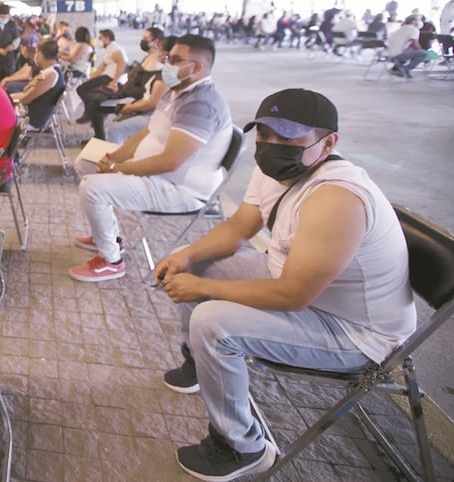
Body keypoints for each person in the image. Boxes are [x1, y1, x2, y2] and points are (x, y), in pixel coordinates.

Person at [155, 89, 415, 481]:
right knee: (195, 264)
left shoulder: (337, 197)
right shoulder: (276, 170)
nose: (271, 145)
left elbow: (293, 295)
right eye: (264, 134)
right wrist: (187, 256)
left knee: (212, 321)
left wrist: (201, 289)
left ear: (328, 143)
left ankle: (241, 447)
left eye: (288, 137)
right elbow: (239, 227)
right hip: (294, 284)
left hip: (354, 332)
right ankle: (201, 363)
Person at [69, 35, 231, 282]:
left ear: (196, 67)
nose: (166, 65)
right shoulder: (177, 91)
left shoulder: (201, 104)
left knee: (93, 188)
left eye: (175, 60)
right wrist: (113, 157)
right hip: (157, 175)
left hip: (178, 189)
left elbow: (170, 162)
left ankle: (111, 261)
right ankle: (108, 237)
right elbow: (148, 131)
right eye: (167, 58)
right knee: (86, 163)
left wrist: (120, 167)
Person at [11, 38, 64, 131]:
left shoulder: (50, 74)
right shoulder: (52, 71)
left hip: (30, 120)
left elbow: (25, 99)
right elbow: (26, 90)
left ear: (40, 54)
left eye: (36, 52)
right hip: (29, 115)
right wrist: (31, 84)